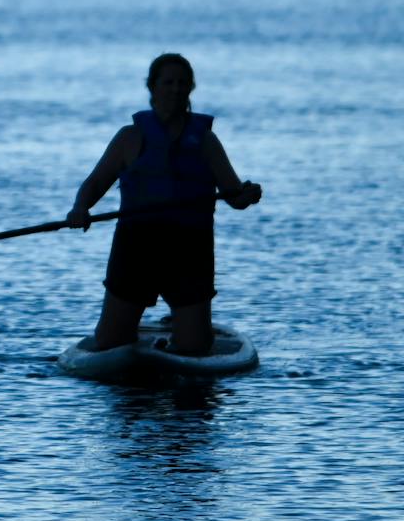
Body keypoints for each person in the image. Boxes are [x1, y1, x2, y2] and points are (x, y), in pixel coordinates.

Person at [65, 54, 262, 356]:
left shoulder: (206, 141)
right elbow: (93, 184)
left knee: (194, 347)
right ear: (152, 87)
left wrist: (246, 195)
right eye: (167, 82)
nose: (175, 89)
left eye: (182, 83)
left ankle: (182, 337)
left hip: (189, 248)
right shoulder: (130, 138)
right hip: (136, 245)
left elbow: (234, 195)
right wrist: (81, 208)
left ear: (191, 89)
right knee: (109, 343)